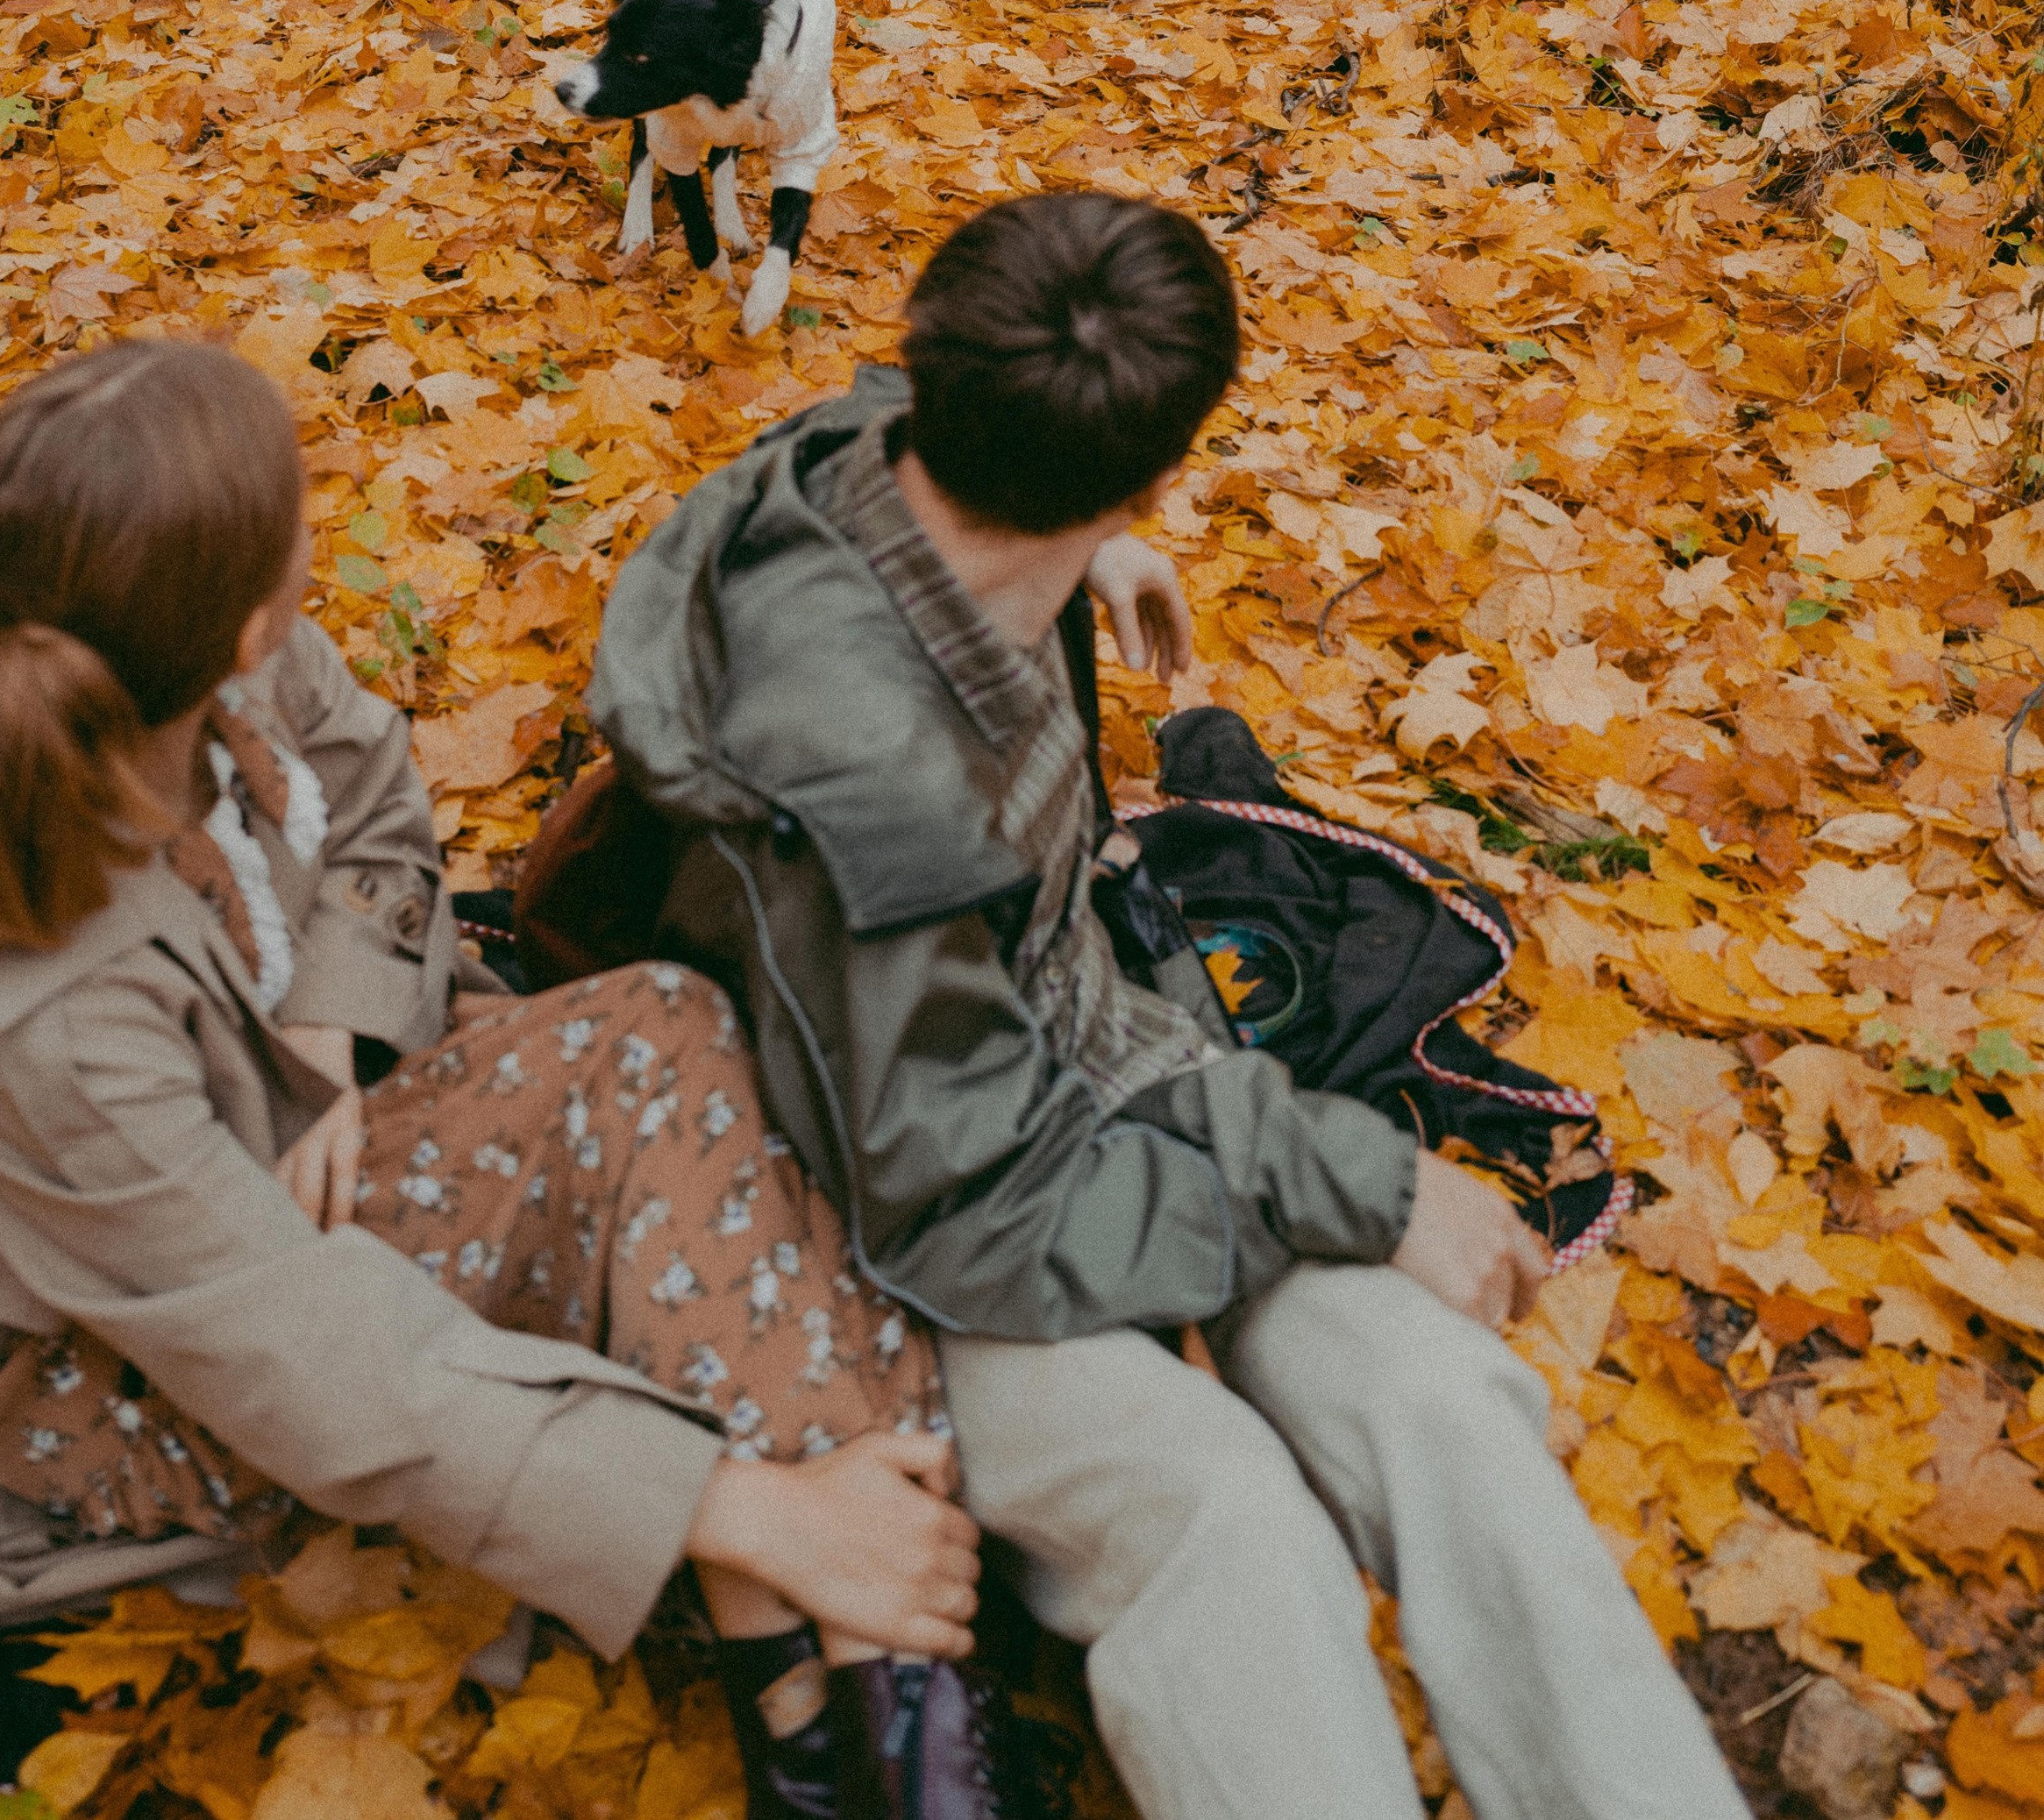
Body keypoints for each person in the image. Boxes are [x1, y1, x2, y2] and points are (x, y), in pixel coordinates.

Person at [587, 192, 1753, 1820]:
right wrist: (1362, 1181)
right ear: (1156, 466)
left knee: (1438, 1399)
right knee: (1220, 1514)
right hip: (884, 1230)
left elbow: (887, 421)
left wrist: (1079, 552)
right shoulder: (881, 792)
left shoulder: (875, 455)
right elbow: (957, 1206)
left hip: (1087, 1082)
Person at [0, 341, 1006, 1820]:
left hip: (297, 1168)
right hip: (111, 1367)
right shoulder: (27, 989)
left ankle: (845, 1677)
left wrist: (324, 1024)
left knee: (663, 1028)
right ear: (252, 609)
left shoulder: (187, 659)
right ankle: (873, 1674)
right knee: (658, 1069)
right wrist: (755, 1511)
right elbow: (299, 1354)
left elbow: (376, 795)